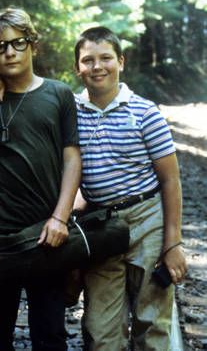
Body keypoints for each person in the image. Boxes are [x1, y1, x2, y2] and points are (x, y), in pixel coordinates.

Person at [0, 8, 81, 351]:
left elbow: (72, 158)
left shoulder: (58, 95)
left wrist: (61, 217)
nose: (9, 52)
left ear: (33, 46)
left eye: (18, 43)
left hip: (48, 236)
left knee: (51, 333)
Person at [72, 26, 187, 350]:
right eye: (88, 60)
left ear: (120, 61)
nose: (97, 67)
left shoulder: (145, 113)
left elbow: (170, 179)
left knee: (152, 322)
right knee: (99, 329)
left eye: (106, 58)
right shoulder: (71, 112)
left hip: (147, 219)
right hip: (101, 226)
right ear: (77, 67)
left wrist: (172, 243)